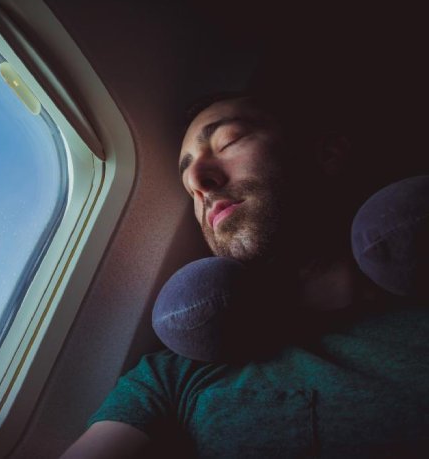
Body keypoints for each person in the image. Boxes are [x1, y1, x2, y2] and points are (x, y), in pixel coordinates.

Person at [61, 92, 429, 458]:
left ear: (329, 152)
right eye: (186, 183)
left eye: (229, 141)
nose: (196, 180)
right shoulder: (174, 375)